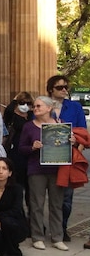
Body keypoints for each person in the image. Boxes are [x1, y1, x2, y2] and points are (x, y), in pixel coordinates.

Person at [19, 96, 73, 251]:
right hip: (36, 170)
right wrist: (32, 147)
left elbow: (67, 148)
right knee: (36, 204)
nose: (35, 108)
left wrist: (71, 141)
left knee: (57, 204)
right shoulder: (29, 127)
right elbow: (21, 148)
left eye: (38, 106)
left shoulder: (61, 125)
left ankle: (57, 237)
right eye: (34, 106)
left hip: (57, 169)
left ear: (49, 108)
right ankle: (37, 237)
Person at [46, 75, 87, 243]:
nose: (64, 90)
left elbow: (83, 131)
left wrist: (76, 141)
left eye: (66, 87)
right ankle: (40, 228)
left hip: (67, 157)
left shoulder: (75, 107)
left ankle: (61, 228)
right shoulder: (42, 105)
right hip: (45, 157)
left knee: (66, 197)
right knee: (41, 196)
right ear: (50, 90)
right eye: (59, 87)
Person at [2, 91, 34, 207]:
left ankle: (32, 218)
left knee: (31, 190)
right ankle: (18, 214)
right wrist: (15, 100)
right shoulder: (13, 116)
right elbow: (8, 111)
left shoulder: (31, 116)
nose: (25, 105)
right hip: (15, 153)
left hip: (30, 153)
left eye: (28, 103)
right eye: (22, 103)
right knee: (17, 186)